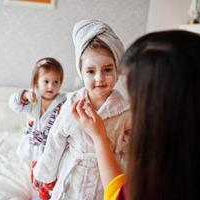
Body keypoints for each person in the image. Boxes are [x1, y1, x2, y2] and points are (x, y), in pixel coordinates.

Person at [73, 30, 200, 200]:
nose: (135, 113)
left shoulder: (173, 175)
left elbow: (120, 195)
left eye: (138, 102)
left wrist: (99, 138)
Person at [33, 19, 131, 199]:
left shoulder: (125, 110)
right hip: (73, 181)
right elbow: (56, 140)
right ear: (81, 72)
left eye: (107, 69)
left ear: (117, 71)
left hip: (105, 181)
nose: (99, 78)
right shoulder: (71, 104)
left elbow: (129, 152)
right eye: (91, 71)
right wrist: (43, 174)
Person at [9, 57, 66, 199]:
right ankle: (39, 196)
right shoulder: (33, 100)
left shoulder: (63, 102)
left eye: (56, 82)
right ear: (36, 82)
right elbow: (15, 105)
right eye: (46, 81)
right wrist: (25, 95)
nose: (51, 86)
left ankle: (53, 194)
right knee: (36, 179)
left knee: (52, 178)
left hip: (52, 149)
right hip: (35, 149)